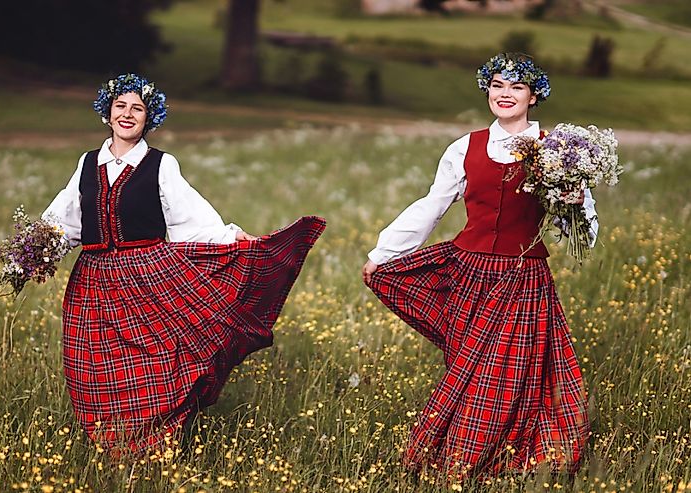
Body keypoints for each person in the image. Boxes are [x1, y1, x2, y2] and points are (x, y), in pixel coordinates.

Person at [43, 73, 325, 453]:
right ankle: (110, 445)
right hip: (93, 282)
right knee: (91, 367)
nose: (127, 114)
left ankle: (149, 444)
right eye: (120, 106)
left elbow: (190, 216)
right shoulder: (88, 162)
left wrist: (231, 237)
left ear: (149, 118)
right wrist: (32, 252)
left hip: (146, 276)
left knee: (153, 363)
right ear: (107, 113)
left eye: (137, 109)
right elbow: (66, 219)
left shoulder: (160, 164)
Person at [362, 53, 595, 478]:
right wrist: (384, 253)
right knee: (470, 366)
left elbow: (583, 227)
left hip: (522, 276)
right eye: (498, 86)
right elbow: (432, 205)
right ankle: (465, 456)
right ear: (488, 90)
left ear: (534, 95)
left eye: (517, 87)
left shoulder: (557, 150)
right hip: (468, 271)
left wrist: (575, 205)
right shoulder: (464, 147)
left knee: (505, 369)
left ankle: (489, 460)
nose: (505, 94)